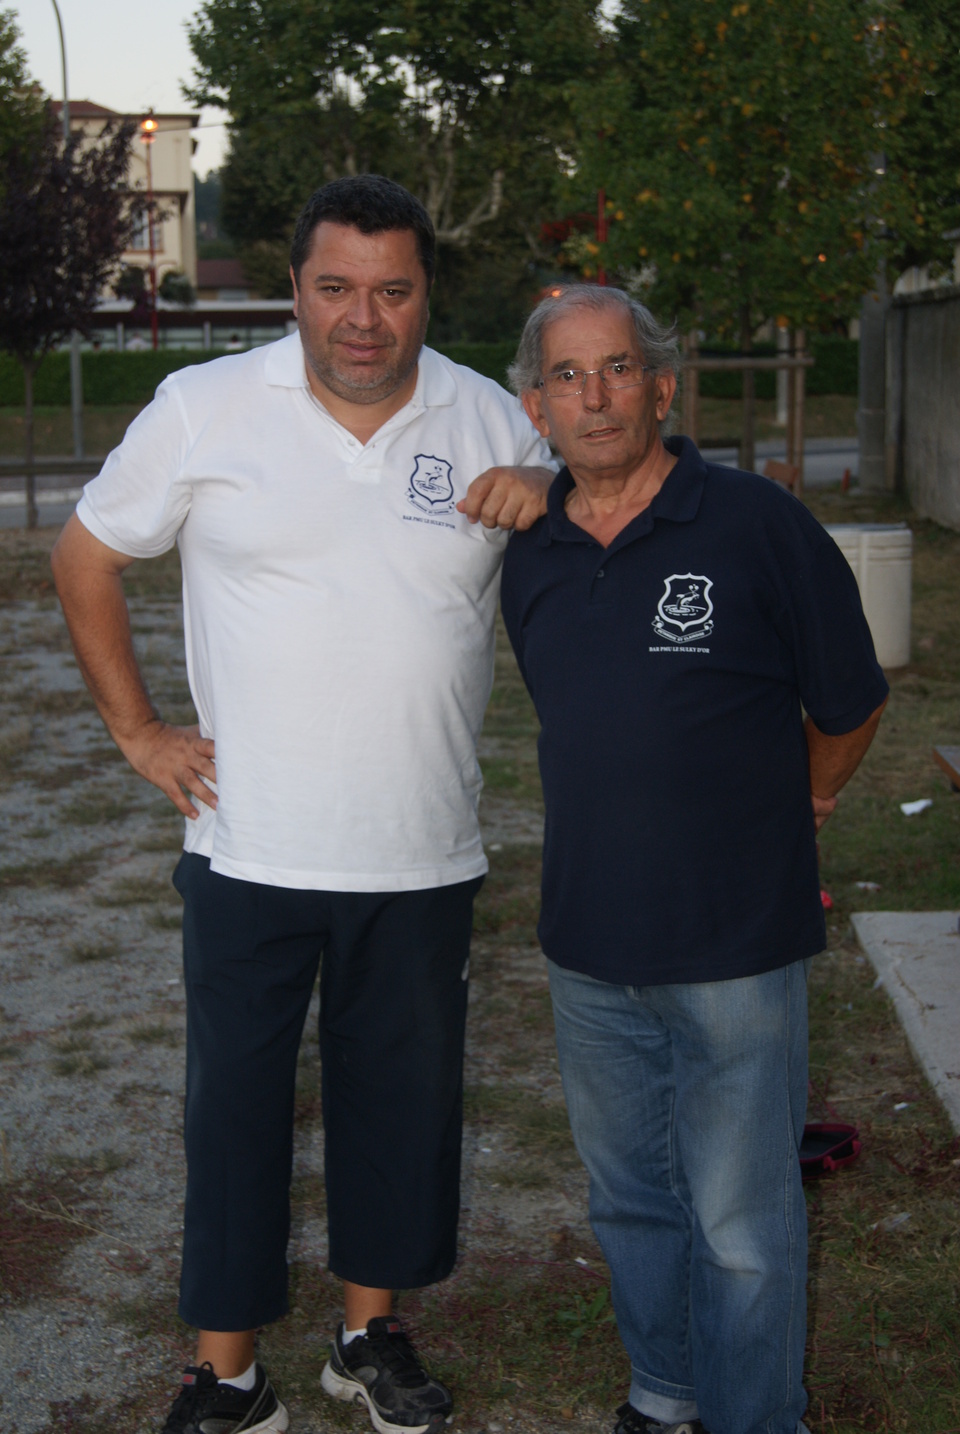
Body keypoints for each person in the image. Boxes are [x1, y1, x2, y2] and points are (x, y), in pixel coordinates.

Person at [51, 175, 553, 1434]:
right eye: (336, 289)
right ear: (295, 292)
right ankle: (225, 1375)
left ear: (428, 290)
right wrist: (138, 731)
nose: (364, 318)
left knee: (400, 1106)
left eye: (392, 290)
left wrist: (544, 495)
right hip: (250, 843)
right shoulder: (205, 407)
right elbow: (86, 556)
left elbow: (608, 518)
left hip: (420, 847)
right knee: (235, 1116)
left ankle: (366, 1337)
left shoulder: (495, 419)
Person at [499, 285, 889, 1434]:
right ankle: (663, 1395)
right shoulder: (533, 552)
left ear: (661, 385)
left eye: (617, 368)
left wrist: (809, 792)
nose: (595, 395)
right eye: (567, 377)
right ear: (536, 407)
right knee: (630, 1205)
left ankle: (758, 1416)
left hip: (734, 948)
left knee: (741, 1225)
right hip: (587, 947)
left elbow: (852, 699)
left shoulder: (756, 524)